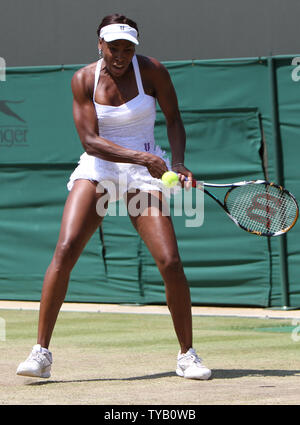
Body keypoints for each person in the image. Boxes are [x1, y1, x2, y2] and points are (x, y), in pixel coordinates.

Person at [16, 14, 211, 380]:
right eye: (113, 48)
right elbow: (90, 141)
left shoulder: (152, 71)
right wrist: (144, 158)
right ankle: (40, 353)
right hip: (101, 168)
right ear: (99, 45)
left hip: (144, 173)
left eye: (128, 48)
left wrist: (178, 162)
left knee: (170, 261)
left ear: (135, 48)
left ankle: (187, 355)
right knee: (66, 248)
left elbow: (173, 118)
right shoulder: (83, 80)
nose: (121, 55)